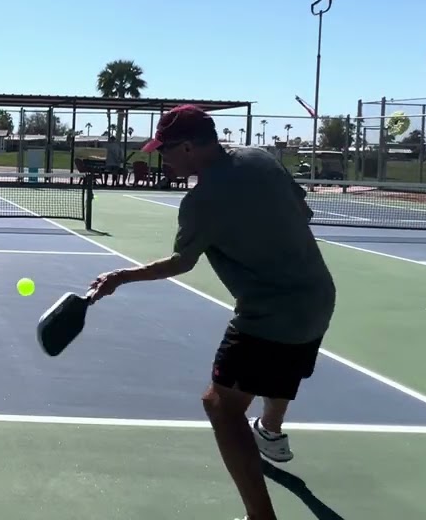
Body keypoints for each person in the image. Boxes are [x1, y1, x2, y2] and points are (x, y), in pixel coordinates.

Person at [88, 104, 336, 520]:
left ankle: (261, 517)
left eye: (165, 149)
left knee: (220, 406)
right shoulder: (260, 159)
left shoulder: (201, 201)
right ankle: (270, 433)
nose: (160, 158)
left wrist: (120, 277)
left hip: (268, 313)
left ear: (188, 146)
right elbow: (302, 211)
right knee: (280, 367)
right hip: (317, 298)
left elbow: (180, 264)